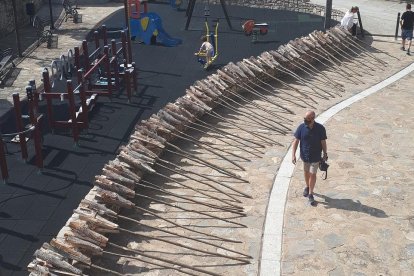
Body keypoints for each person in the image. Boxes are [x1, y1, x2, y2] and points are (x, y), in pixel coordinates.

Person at [291, 111, 328, 206]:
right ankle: (307, 186)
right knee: (306, 172)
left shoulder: (320, 128)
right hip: (305, 156)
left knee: (313, 173)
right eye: (304, 119)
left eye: (307, 119)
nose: (305, 121)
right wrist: (293, 154)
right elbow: (296, 141)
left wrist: (325, 153)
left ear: (312, 118)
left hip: (315, 156)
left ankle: (311, 193)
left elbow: (323, 142)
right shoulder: (301, 127)